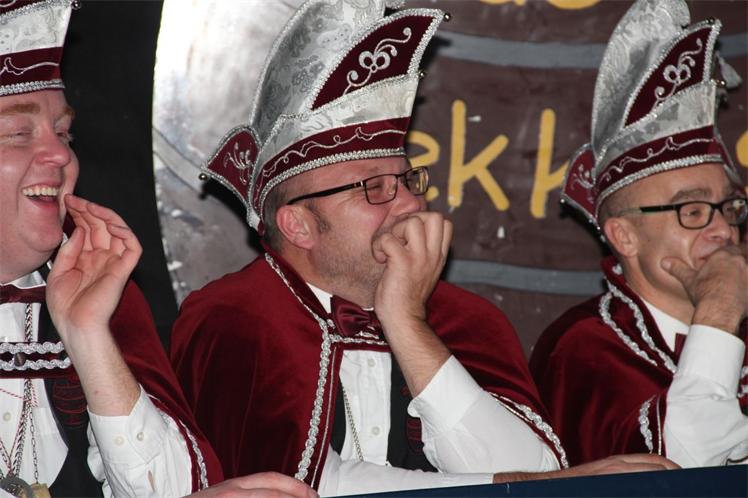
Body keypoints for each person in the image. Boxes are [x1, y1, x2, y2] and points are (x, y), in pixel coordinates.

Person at [171, 0, 675, 495]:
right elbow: (300, 487)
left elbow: (535, 470)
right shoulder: (234, 316)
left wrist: (407, 324)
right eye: (373, 187)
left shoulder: (468, 319)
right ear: (299, 225)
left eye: (408, 180)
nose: (411, 203)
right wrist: (522, 484)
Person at [0, 1, 316, 497]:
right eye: (19, 133)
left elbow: (174, 490)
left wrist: (88, 335)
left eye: (64, 133)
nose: (61, 154)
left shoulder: (102, 303)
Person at [529, 0, 748, 468]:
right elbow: (684, 469)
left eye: (729, 206)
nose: (722, 229)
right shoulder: (585, 348)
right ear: (623, 236)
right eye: (692, 210)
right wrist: (719, 309)